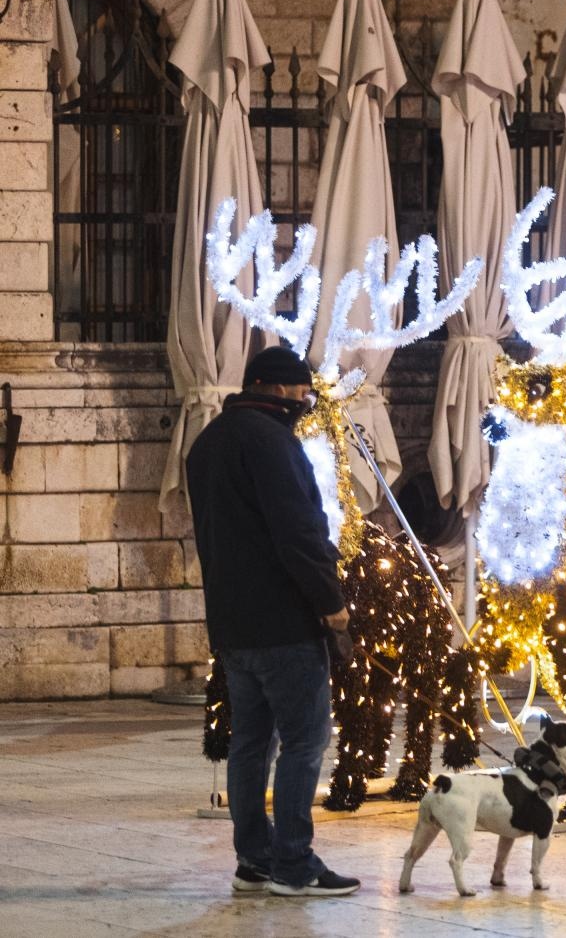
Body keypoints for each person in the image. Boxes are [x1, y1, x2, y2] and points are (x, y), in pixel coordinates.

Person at [186, 346, 361, 897]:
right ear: (282, 390)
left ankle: (253, 861)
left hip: (232, 623)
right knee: (305, 742)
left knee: (249, 745)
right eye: (304, 393)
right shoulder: (274, 442)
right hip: (284, 623)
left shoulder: (207, 442)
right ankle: (293, 863)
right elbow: (300, 534)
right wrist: (332, 606)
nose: (308, 403)